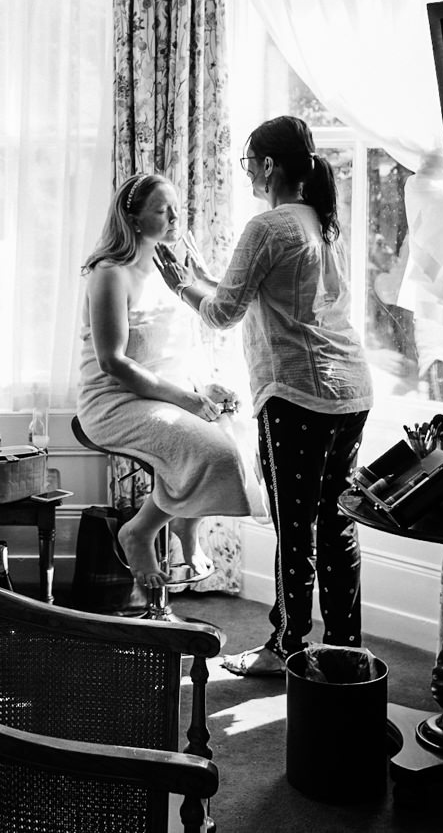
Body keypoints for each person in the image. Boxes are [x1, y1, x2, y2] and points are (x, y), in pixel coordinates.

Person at [155, 116, 374, 676]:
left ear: (269, 165)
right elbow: (243, 294)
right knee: (336, 520)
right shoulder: (322, 221)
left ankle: (286, 647)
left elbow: (224, 312)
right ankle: (343, 647)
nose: (246, 170)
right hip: (349, 390)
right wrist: (201, 275)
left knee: (294, 526)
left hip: (298, 393)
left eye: (249, 160)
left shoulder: (267, 226)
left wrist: (182, 285)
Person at [77, 172, 252, 589]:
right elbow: (113, 363)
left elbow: (171, 352)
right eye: (162, 210)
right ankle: (140, 530)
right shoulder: (109, 274)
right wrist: (185, 400)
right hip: (115, 401)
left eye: (177, 208)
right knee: (215, 454)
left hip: (162, 395)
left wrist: (202, 389)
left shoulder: (169, 270)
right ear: (134, 219)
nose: (175, 217)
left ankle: (185, 528)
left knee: (234, 435)